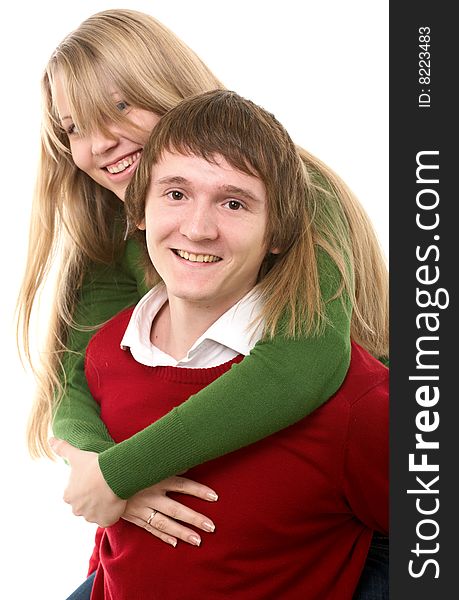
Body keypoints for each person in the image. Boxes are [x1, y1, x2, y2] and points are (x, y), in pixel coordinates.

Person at [16, 8, 388, 595]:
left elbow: (302, 367)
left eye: (118, 107)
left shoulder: (294, 190)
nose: (99, 143)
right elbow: (80, 373)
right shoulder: (116, 221)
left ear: (168, 88)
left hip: (343, 501)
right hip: (186, 520)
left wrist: (121, 472)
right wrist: (106, 475)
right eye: (73, 128)